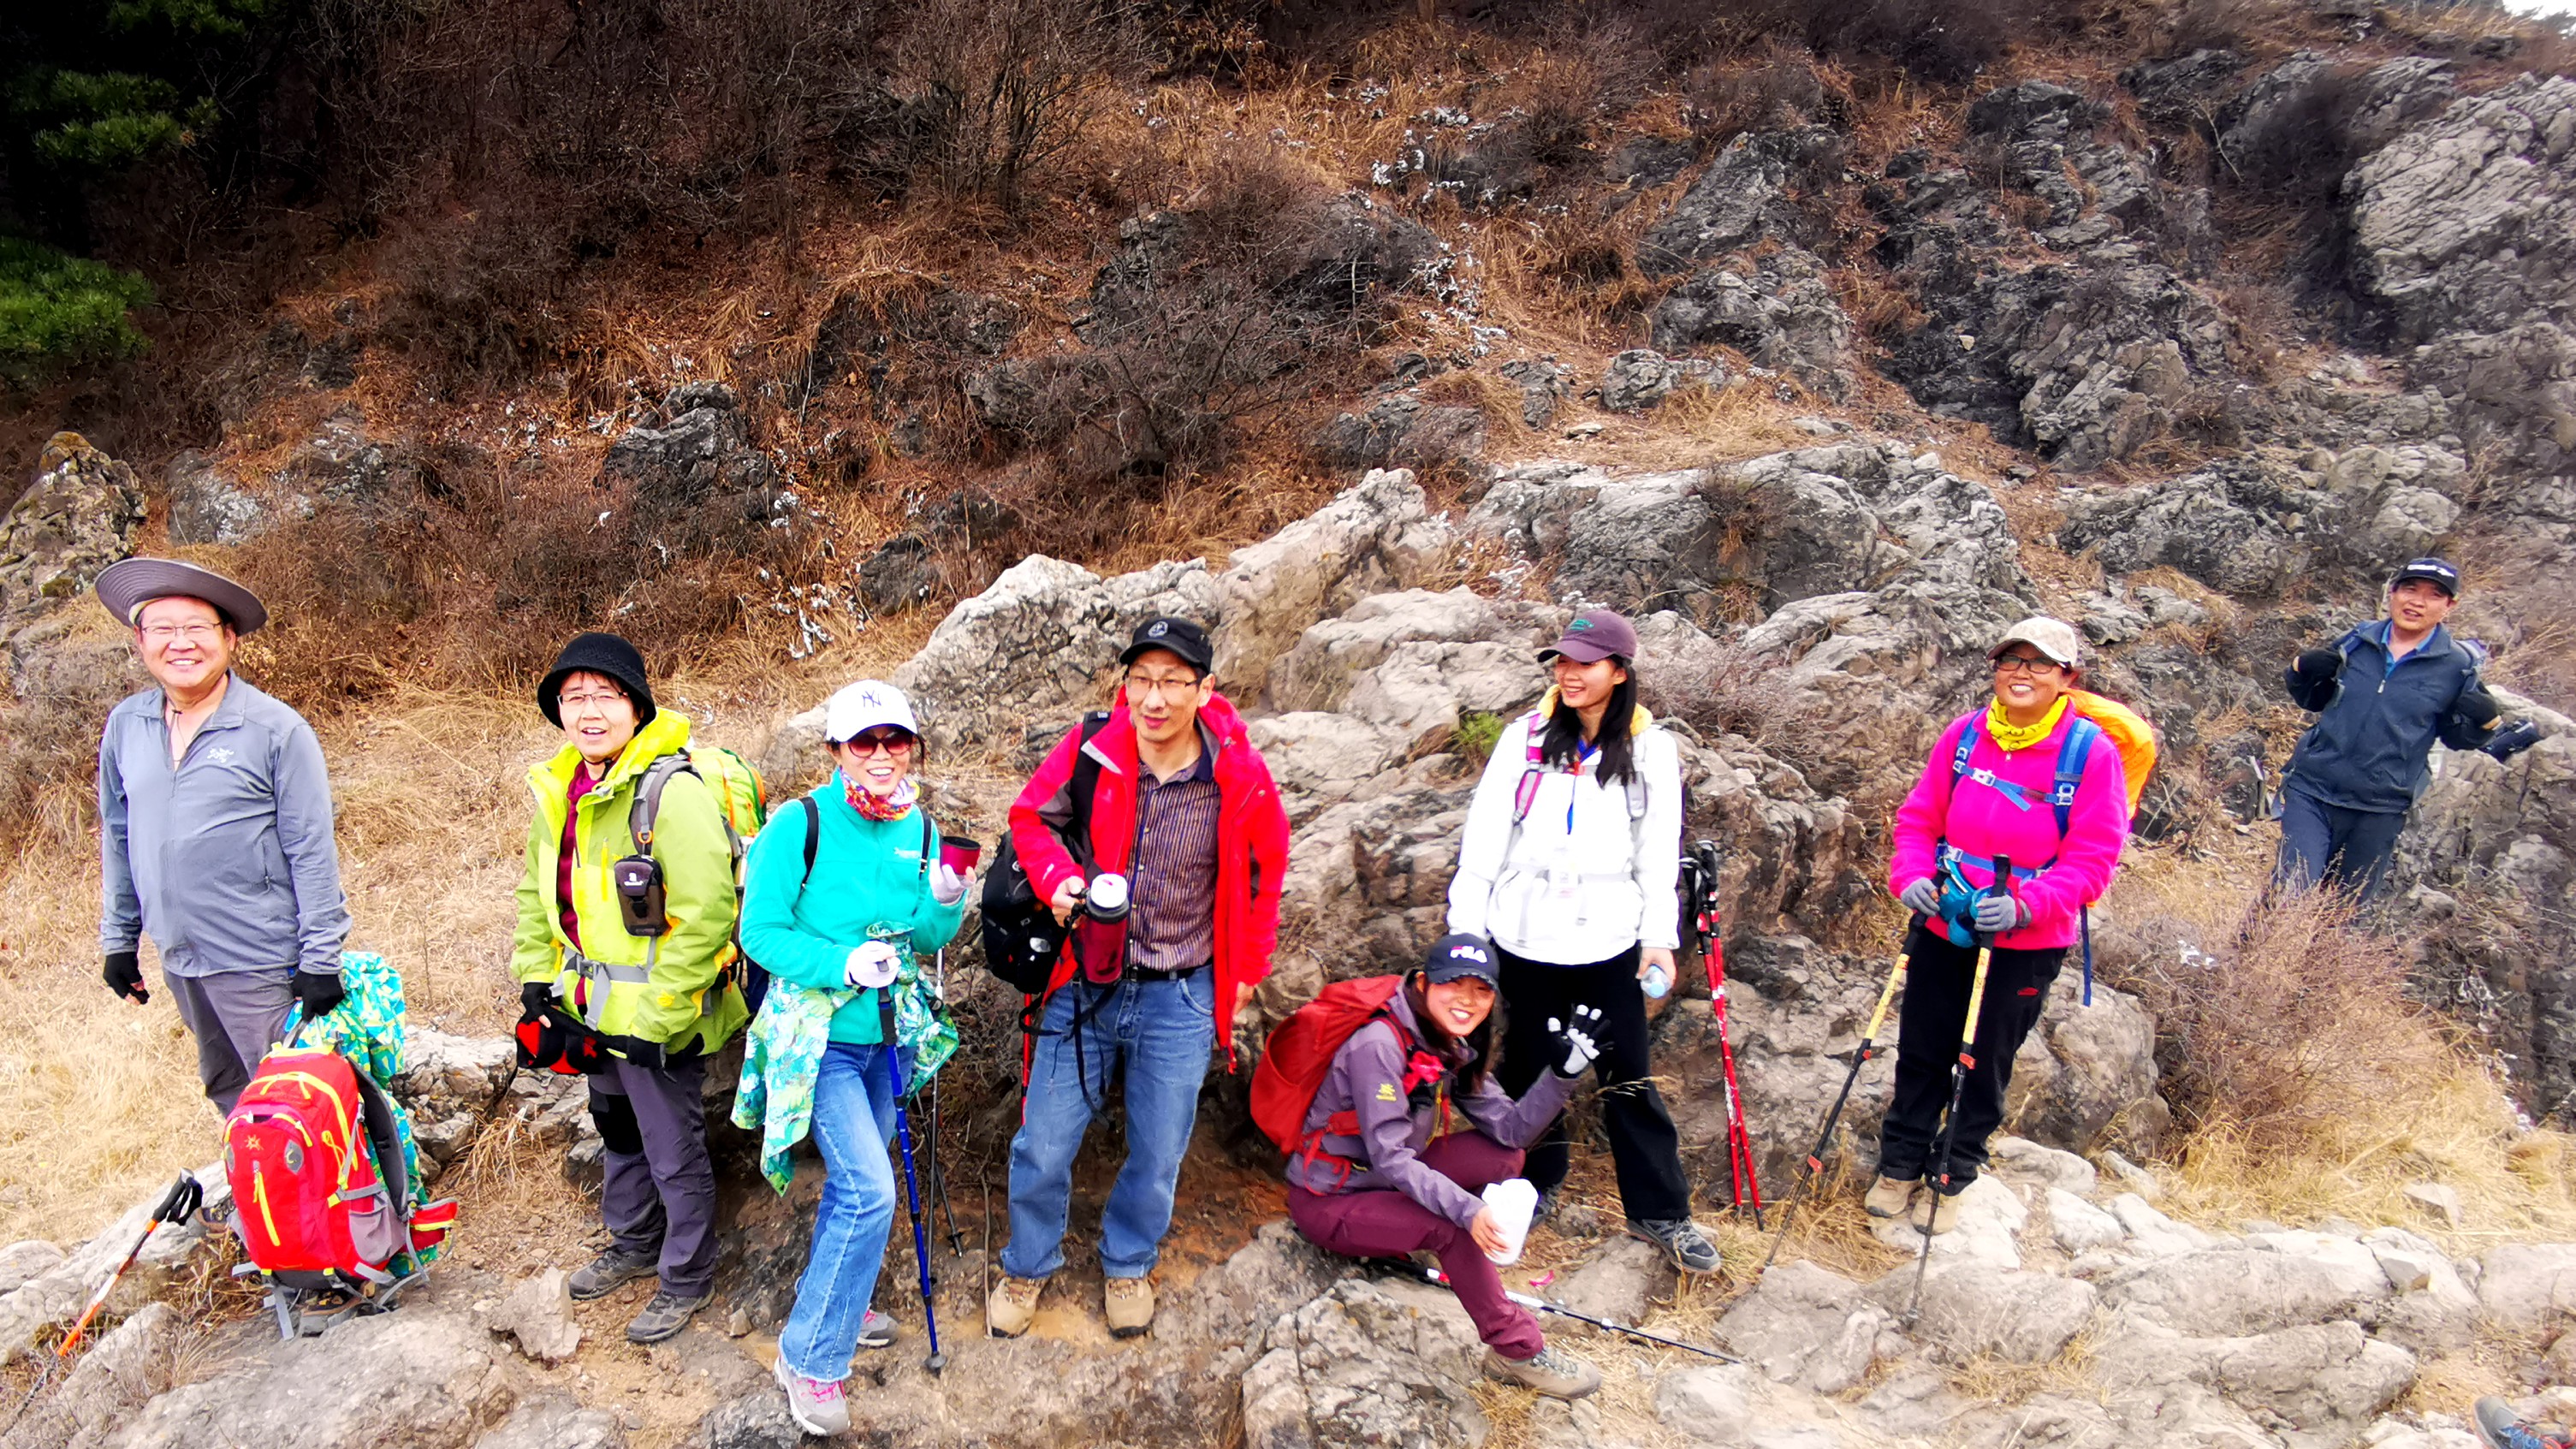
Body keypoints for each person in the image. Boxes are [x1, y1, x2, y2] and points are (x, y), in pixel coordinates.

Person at [988, 616, 1291, 1341]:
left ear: (1204, 688)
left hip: (1182, 991)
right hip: (1084, 978)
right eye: (1141, 680)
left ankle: (1129, 1260)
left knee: (1159, 1148)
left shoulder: (1237, 774)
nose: (1153, 699)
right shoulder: (1094, 745)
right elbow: (1030, 817)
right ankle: (1027, 1263)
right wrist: (1059, 878)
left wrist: (1248, 969)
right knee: (1044, 1141)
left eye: (1172, 682)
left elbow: (1264, 874)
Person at [1445, 609, 1717, 1274]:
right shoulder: (1525, 739)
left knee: (1628, 1076)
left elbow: (1658, 853)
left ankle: (1661, 1212)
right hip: (1525, 932)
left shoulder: (1652, 749)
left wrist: (1660, 939)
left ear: (1619, 672)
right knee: (1526, 1066)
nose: (1568, 672)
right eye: (1562, 661)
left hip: (1609, 939)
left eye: (1585, 662)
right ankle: (1530, 1184)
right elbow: (1482, 844)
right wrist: (1466, 934)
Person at [737, 680, 969, 1436]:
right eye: (863, 741)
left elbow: (927, 941)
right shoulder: (796, 825)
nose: (881, 755)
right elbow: (760, 933)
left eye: (895, 740)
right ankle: (808, 1356)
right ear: (835, 749)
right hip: (819, 1041)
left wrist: (945, 899)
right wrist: (842, 961)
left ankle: (838, 1297)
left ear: (912, 747)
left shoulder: (921, 829)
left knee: (854, 1189)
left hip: (886, 1037)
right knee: (872, 1192)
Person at [510, 632, 749, 1344]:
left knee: (670, 1144)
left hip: (657, 1016)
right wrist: (536, 981)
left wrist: (660, 1015)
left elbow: (707, 916)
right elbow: (535, 896)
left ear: (636, 706)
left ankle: (687, 1274)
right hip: (591, 1010)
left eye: (605, 696)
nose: (588, 711)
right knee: (617, 1133)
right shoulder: (562, 792)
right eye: (573, 696)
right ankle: (636, 1241)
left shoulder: (669, 792)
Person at [1876, 617, 2130, 1231]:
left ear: (2067, 678)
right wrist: (1909, 874)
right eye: (2011, 660)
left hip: (2025, 940)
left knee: (1986, 1056)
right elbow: (1918, 820)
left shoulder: (2089, 754)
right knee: (1922, 1048)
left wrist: (2027, 904)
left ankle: (1953, 1170)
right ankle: (1900, 1164)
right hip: (1946, 918)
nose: (2021, 673)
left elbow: (2094, 859)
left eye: (2040, 663)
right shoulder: (1965, 736)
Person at [1286, 934, 1607, 1400]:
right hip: (1331, 1200)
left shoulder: (1445, 1040)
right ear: (1422, 983)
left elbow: (1512, 1131)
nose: (1467, 1000)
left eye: (1481, 990)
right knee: (1452, 1228)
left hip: (1384, 1182)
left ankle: (1448, 1250)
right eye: (1453, 984)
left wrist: (1562, 1075)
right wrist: (1467, 1213)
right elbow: (1392, 1157)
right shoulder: (1379, 1045)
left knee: (1504, 1158)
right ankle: (1515, 1350)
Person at [94, 558, 351, 1117]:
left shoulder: (275, 730)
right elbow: (120, 835)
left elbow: (311, 848)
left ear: (228, 638)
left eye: (197, 628)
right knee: (227, 1087)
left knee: (297, 1102)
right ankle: (261, 1201)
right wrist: (120, 939)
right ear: (140, 641)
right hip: (180, 956)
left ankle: (347, 1206)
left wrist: (321, 957)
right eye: (163, 628)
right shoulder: (126, 725)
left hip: (259, 957)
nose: (180, 643)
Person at [2275, 558, 2538, 904]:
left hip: (2381, 809)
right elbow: (2313, 698)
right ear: (2393, 592)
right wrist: (2299, 669)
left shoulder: (2456, 667)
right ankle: (2247, 956)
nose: (2417, 601)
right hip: (2313, 790)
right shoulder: (2358, 641)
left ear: (2449, 606)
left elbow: (2457, 738)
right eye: (2410, 589)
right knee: (2291, 891)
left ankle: (2297, 959)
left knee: (2344, 916)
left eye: (2433, 595)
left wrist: (2487, 724)